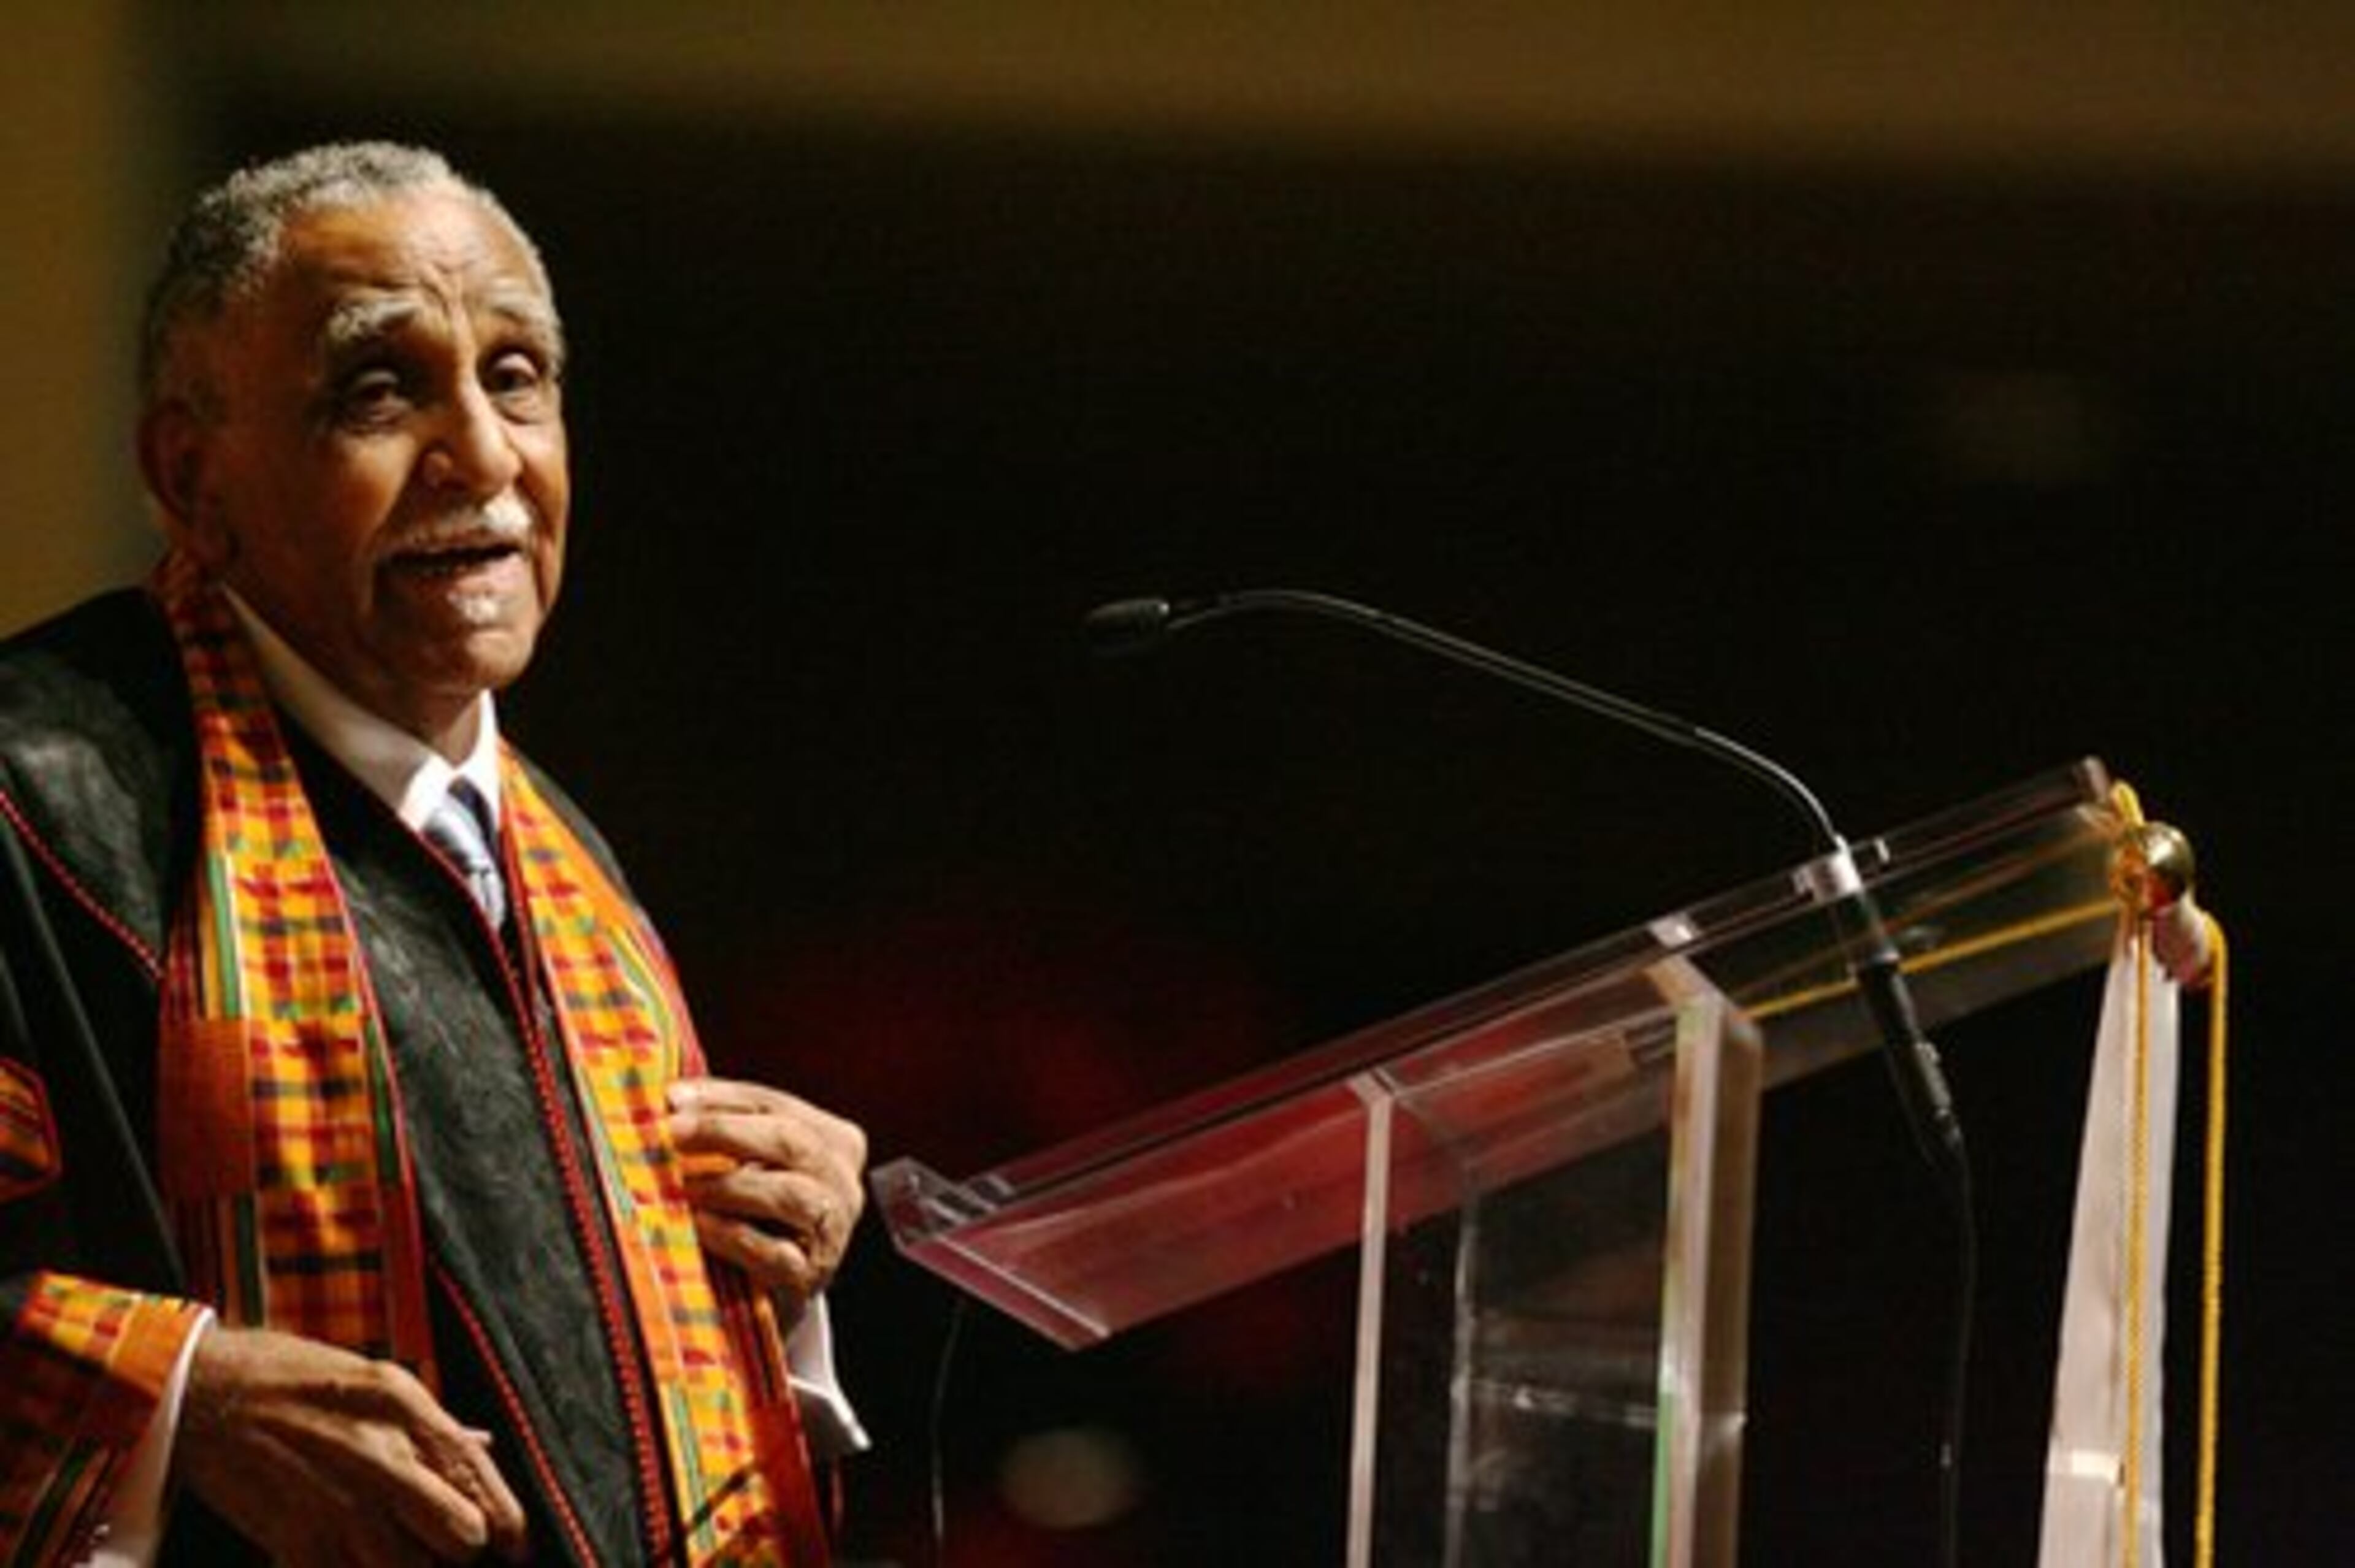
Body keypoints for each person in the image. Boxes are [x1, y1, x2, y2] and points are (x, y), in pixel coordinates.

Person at [0, 142, 868, 1565]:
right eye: (380, 390)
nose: (483, 457)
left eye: (516, 375)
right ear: (191, 472)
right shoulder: (40, 798)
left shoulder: (565, 857)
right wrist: (180, 1395)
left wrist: (772, 1269)